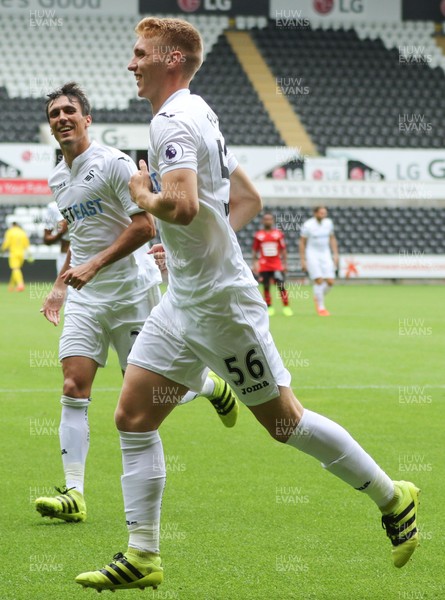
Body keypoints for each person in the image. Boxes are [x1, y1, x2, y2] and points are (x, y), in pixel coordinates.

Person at [75, 18, 420, 592]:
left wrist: (143, 198)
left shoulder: (171, 121)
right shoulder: (201, 111)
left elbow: (181, 207)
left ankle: (392, 496)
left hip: (221, 308)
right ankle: (143, 555)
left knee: (285, 423)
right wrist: (200, 249)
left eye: (140, 54)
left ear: (172, 60)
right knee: (133, 416)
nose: (131, 64)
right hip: (184, 298)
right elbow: (245, 197)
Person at [35, 82, 239, 525]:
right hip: (87, 299)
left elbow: (146, 227)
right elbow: (81, 237)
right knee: (73, 386)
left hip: (131, 293)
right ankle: (74, 492)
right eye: (54, 114)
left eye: (70, 110)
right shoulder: (57, 178)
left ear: (87, 119)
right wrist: (60, 284)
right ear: (50, 126)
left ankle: (208, 386)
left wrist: (95, 266)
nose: (62, 118)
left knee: (150, 392)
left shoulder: (113, 163)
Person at [299, 206, 338, 316]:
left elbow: (332, 238)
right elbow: (302, 242)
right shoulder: (308, 225)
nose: (323, 215)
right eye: (321, 213)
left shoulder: (328, 223)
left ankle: (318, 296)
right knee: (319, 280)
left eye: (324, 213)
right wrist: (303, 259)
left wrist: (335, 254)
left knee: (330, 282)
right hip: (312, 254)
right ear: (315, 213)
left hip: (325, 254)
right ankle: (321, 308)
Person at [252, 212, 293, 317]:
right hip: (264, 265)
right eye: (266, 219)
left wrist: (285, 263)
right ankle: (269, 306)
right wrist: (255, 264)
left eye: (269, 219)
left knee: (281, 285)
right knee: (266, 286)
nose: (268, 221)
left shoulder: (278, 234)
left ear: (273, 221)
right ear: (262, 221)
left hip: (276, 264)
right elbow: (255, 250)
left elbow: (283, 249)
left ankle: (286, 306)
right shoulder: (259, 235)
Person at [1, 221, 30, 292]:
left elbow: (6, 242)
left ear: (12, 225)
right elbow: (26, 244)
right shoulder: (22, 232)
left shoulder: (10, 232)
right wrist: (29, 254)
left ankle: (20, 284)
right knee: (16, 269)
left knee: (15, 269)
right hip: (21, 254)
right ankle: (11, 286)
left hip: (14, 253)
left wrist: (2, 250)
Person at [43, 200, 70, 274]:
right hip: (65, 257)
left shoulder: (87, 200)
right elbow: (46, 239)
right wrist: (60, 232)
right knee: (63, 285)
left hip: (89, 256)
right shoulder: (53, 207)